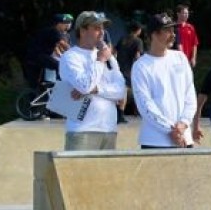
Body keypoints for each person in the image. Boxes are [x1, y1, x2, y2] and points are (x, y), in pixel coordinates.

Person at [59, 11, 128, 150]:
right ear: (83, 31)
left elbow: (121, 91)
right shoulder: (70, 57)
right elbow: (85, 86)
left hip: (109, 129)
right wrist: (100, 60)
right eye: (97, 28)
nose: (102, 33)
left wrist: (97, 89)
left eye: (103, 28)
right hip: (82, 131)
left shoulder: (110, 57)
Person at [132, 12, 197, 149]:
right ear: (154, 34)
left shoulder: (180, 58)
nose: (173, 34)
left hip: (184, 138)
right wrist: (170, 130)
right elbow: (145, 105)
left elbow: (190, 94)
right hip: (155, 141)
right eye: (167, 30)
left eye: (173, 30)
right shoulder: (141, 66)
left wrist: (183, 124)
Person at [23, 13, 73, 88]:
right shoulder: (54, 31)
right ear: (58, 24)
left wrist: (61, 55)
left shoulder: (52, 31)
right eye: (64, 24)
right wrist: (75, 52)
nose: (67, 26)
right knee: (60, 65)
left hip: (39, 56)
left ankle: (50, 84)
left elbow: (55, 46)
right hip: (38, 56)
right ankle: (60, 85)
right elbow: (62, 44)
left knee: (56, 63)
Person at [117, 21, 144, 120]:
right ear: (138, 30)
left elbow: (115, 51)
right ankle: (121, 115)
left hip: (119, 68)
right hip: (130, 69)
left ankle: (118, 113)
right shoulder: (138, 41)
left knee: (120, 90)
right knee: (126, 92)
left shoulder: (123, 39)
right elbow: (137, 55)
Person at [171, 3, 199, 68]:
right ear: (178, 14)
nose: (186, 15)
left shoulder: (191, 27)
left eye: (187, 13)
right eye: (184, 13)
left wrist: (193, 58)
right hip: (175, 61)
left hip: (188, 61)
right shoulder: (173, 27)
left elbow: (194, 44)